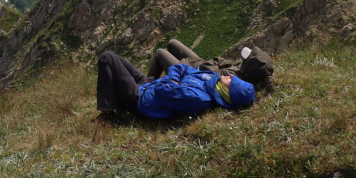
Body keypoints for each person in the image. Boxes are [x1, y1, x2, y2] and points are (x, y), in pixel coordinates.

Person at [96, 49, 256, 122]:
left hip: (140, 99)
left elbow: (161, 92)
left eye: (233, 81)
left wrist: (174, 81)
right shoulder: (211, 78)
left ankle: (107, 114)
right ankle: (113, 103)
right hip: (148, 85)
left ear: (228, 92)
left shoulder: (198, 98)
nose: (232, 76)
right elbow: (180, 67)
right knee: (114, 55)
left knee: (107, 58)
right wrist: (173, 81)